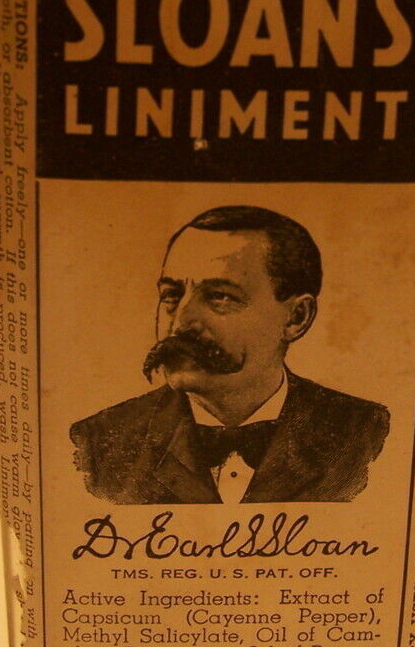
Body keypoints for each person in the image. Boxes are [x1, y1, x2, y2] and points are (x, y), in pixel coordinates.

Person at [70, 205, 389, 504]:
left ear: (296, 318)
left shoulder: (364, 434)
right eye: (172, 295)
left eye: (220, 297)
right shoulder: (98, 444)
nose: (180, 323)